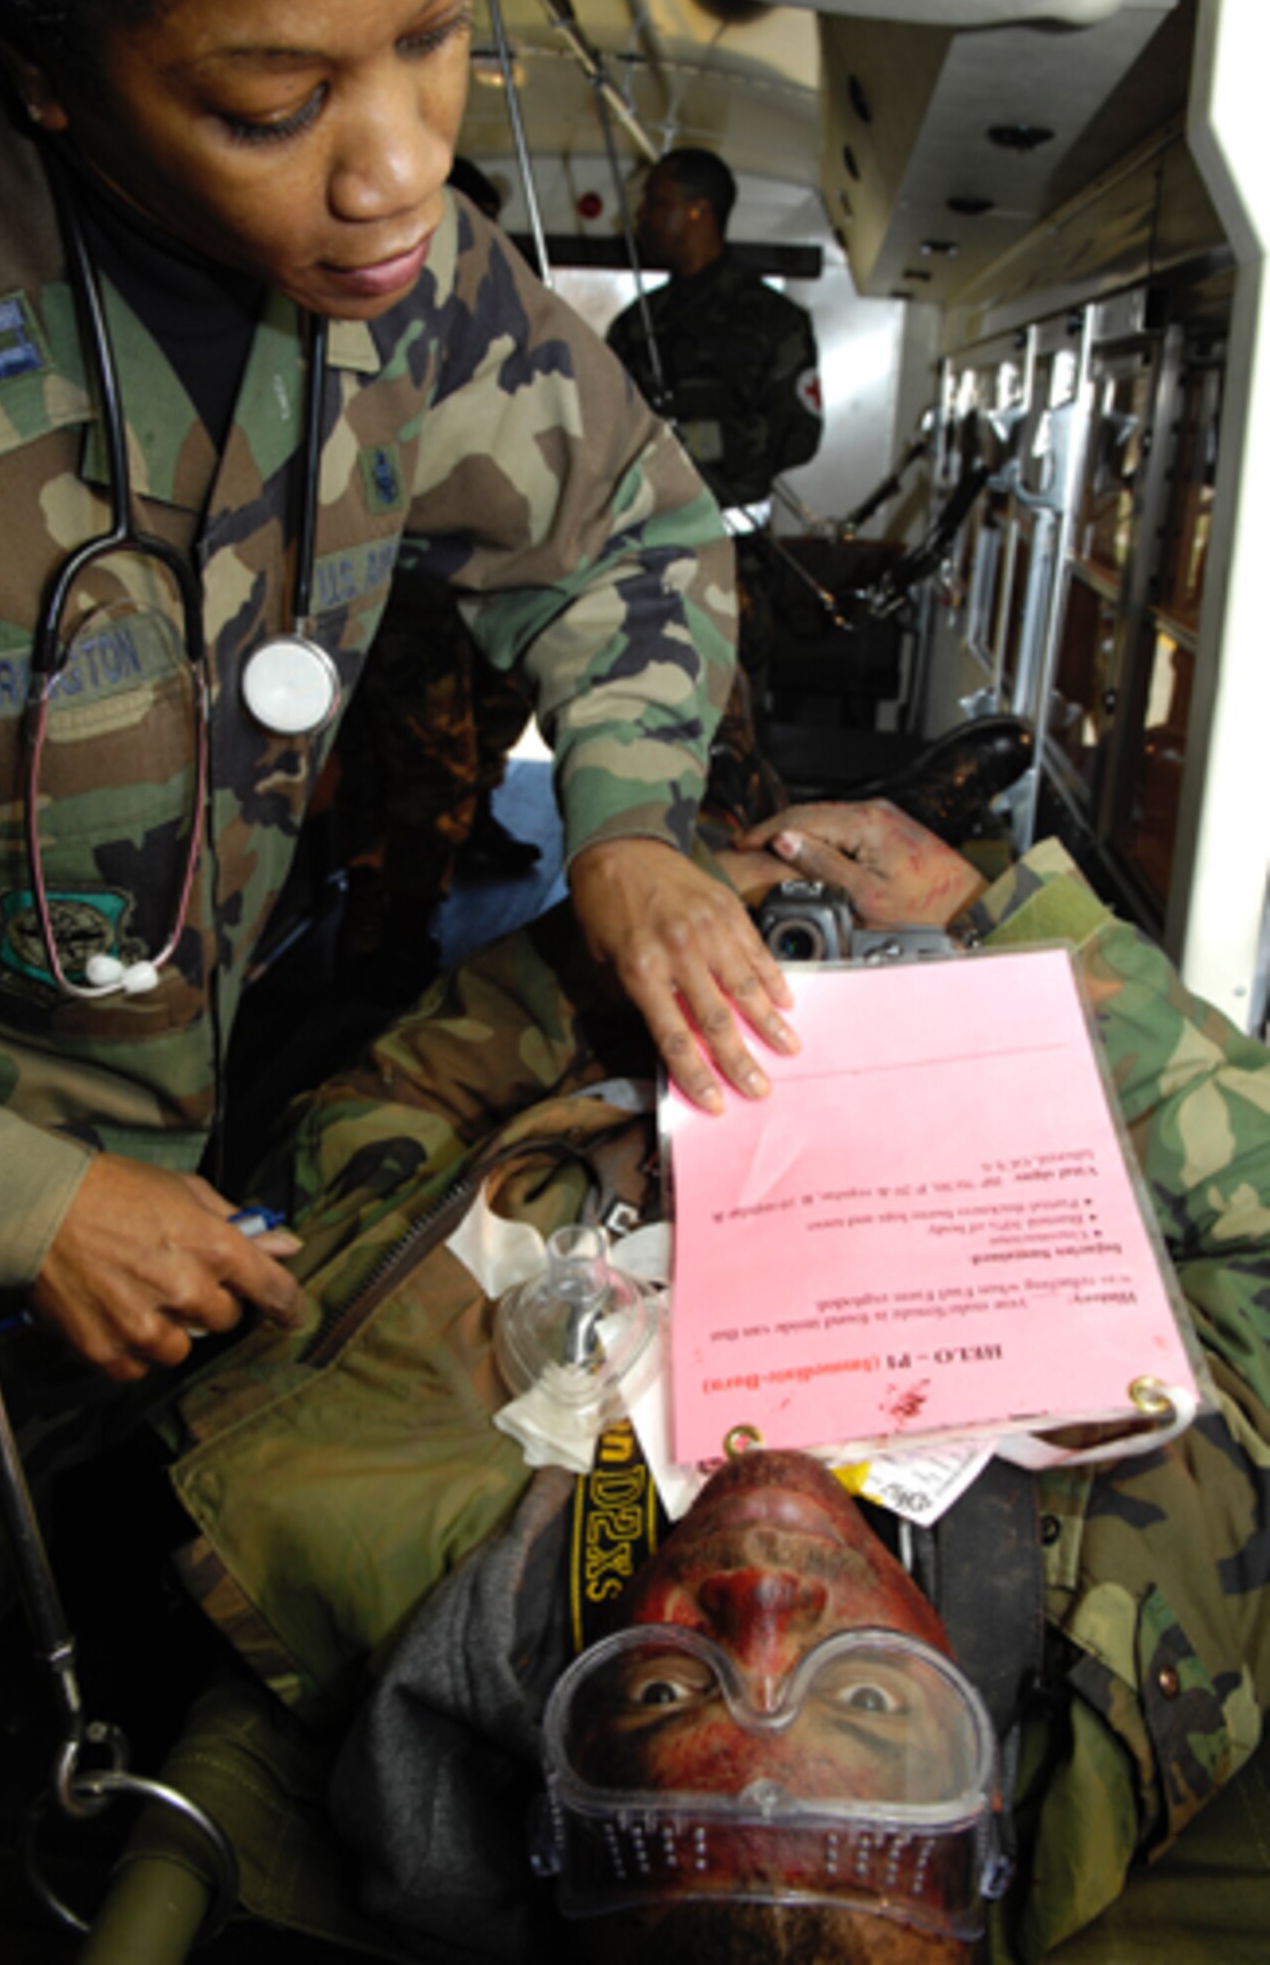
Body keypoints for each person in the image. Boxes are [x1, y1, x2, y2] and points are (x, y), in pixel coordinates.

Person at [0, 0, 808, 1386]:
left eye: (432, 37)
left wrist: (630, 830)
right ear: (50, 80)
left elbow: (628, 536)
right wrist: (16, 1202)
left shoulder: (426, 284)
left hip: (177, 1184)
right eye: (275, 106)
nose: (403, 171)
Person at [277, 797, 1270, 1965]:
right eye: (863, 1699)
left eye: (662, 1697)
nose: (760, 1603)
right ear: (980, 1771)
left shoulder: (402, 1511)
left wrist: (628, 936)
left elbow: (365, 1128)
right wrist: (1002, 921)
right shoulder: (1142, 1608)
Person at [331, 154, 540, 1010]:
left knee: (473, 738)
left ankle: (414, 896)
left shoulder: (494, 327)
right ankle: (390, 930)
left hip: (479, 575)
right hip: (397, 585)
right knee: (419, 766)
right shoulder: (362, 318)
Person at [607, 147, 823, 697]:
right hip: (644, 562)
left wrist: (695, 440)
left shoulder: (774, 321)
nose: (644, 217)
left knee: (733, 729)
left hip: (734, 565)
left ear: (699, 211)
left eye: (659, 203)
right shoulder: (637, 326)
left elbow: (799, 434)